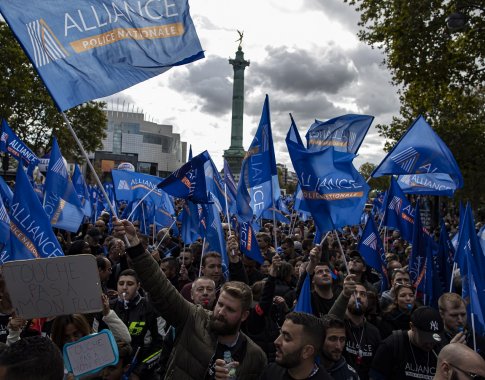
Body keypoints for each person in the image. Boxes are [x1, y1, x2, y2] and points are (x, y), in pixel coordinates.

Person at [113, 218, 267, 379]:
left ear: (244, 315)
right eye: (220, 304)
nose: (221, 311)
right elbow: (160, 288)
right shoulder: (194, 319)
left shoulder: (255, 357)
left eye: (230, 309)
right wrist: (135, 244)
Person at [111, 269, 165, 378]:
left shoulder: (150, 309)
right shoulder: (108, 308)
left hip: (141, 371)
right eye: (121, 283)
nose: (124, 287)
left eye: (130, 284)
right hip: (111, 370)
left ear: (138, 286)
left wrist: (139, 371)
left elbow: (160, 345)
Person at [371, 306, 445, 379]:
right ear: (412, 326)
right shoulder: (392, 345)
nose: (429, 344)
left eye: (434, 339)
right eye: (425, 338)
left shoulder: (438, 351)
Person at [329, 278, 381, 380]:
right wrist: (344, 293)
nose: (358, 297)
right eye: (353, 293)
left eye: (363, 294)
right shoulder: (338, 324)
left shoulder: (374, 332)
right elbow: (328, 322)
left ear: (367, 301)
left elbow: (378, 365)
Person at [259, 312, 332, 379]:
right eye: (280, 333)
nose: (276, 341)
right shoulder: (271, 372)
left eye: (287, 338)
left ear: (307, 351)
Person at [438, 292, 485, 359]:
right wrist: (449, 352)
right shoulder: (434, 341)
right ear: (442, 314)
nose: (460, 320)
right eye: (454, 315)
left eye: (463, 314)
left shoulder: (478, 340)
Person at [320, 314, 359, 380]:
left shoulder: (350, 375)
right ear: (320, 339)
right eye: (332, 339)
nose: (338, 346)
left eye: (342, 339)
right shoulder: (304, 371)